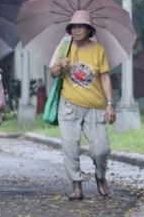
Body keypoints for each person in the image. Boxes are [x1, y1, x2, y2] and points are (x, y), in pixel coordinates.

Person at [51, 10, 115, 200]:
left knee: (101, 149)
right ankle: (76, 185)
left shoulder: (98, 50)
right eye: (73, 27)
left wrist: (110, 104)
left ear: (89, 30)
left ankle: (100, 176)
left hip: (95, 107)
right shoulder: (64, 47)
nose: (76, 30)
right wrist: (61, 65)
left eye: (80, 27)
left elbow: (104, 78)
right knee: (70, 148)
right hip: (69, 105)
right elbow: (53, 73)